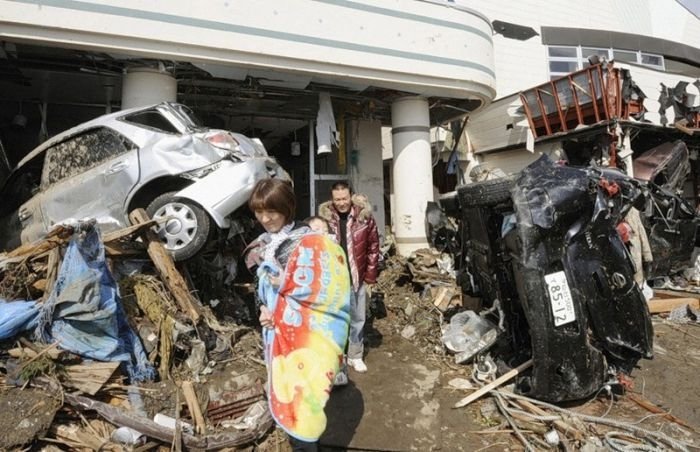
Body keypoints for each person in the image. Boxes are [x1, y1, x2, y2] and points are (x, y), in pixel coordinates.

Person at [245, 179, 351, 451]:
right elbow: (262, 288)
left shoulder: (307, 242)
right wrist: (265, 309)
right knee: (287, 392)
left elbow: (328, 290)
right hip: (278, 333)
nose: (265, 219)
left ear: (288, 208)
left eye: (272, 212)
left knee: (305, 399)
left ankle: (306, 445)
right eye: (259, 212)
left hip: (305, 336)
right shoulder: (266, 243)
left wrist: (286, 284)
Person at [319, 182, 380, 373]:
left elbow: (373, 248)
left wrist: (370, 277)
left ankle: (355, 355)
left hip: (356, 276)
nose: (341, 203)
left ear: (351, 196)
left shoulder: (364, 218)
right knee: (335, 319)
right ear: (332, 199)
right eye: (337, 199)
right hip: (333, 280)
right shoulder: (325, 219)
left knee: (358, 319)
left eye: (344, 198)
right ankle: (338, 356)